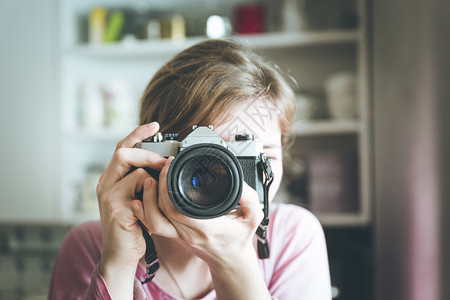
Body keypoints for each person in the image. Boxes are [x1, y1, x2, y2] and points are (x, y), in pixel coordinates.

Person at [49, 39, 331, 300]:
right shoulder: (93, 244)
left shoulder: (292, 235)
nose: (222, 178)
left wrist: (234, 261)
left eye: (259, 156)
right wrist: (118, 262)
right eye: (203, 159)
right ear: (149, 155)